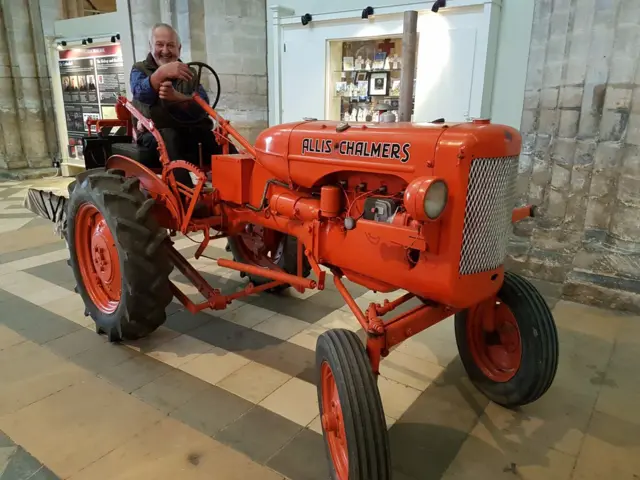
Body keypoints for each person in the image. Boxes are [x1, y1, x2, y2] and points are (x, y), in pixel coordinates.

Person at [129, 23, 226, 199]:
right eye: (160, 44)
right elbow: (140, 93)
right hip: (154, 137)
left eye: (170, 45)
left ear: (179, 49)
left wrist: (178, 98)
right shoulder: (139, 69)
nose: (165, 50)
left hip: (189, 134)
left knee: (221, 141)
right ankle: (187, 199)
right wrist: (160, 74)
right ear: (151, 47)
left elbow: (203, 105)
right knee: (169, 136)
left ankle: (241, 195)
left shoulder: (188, 73)